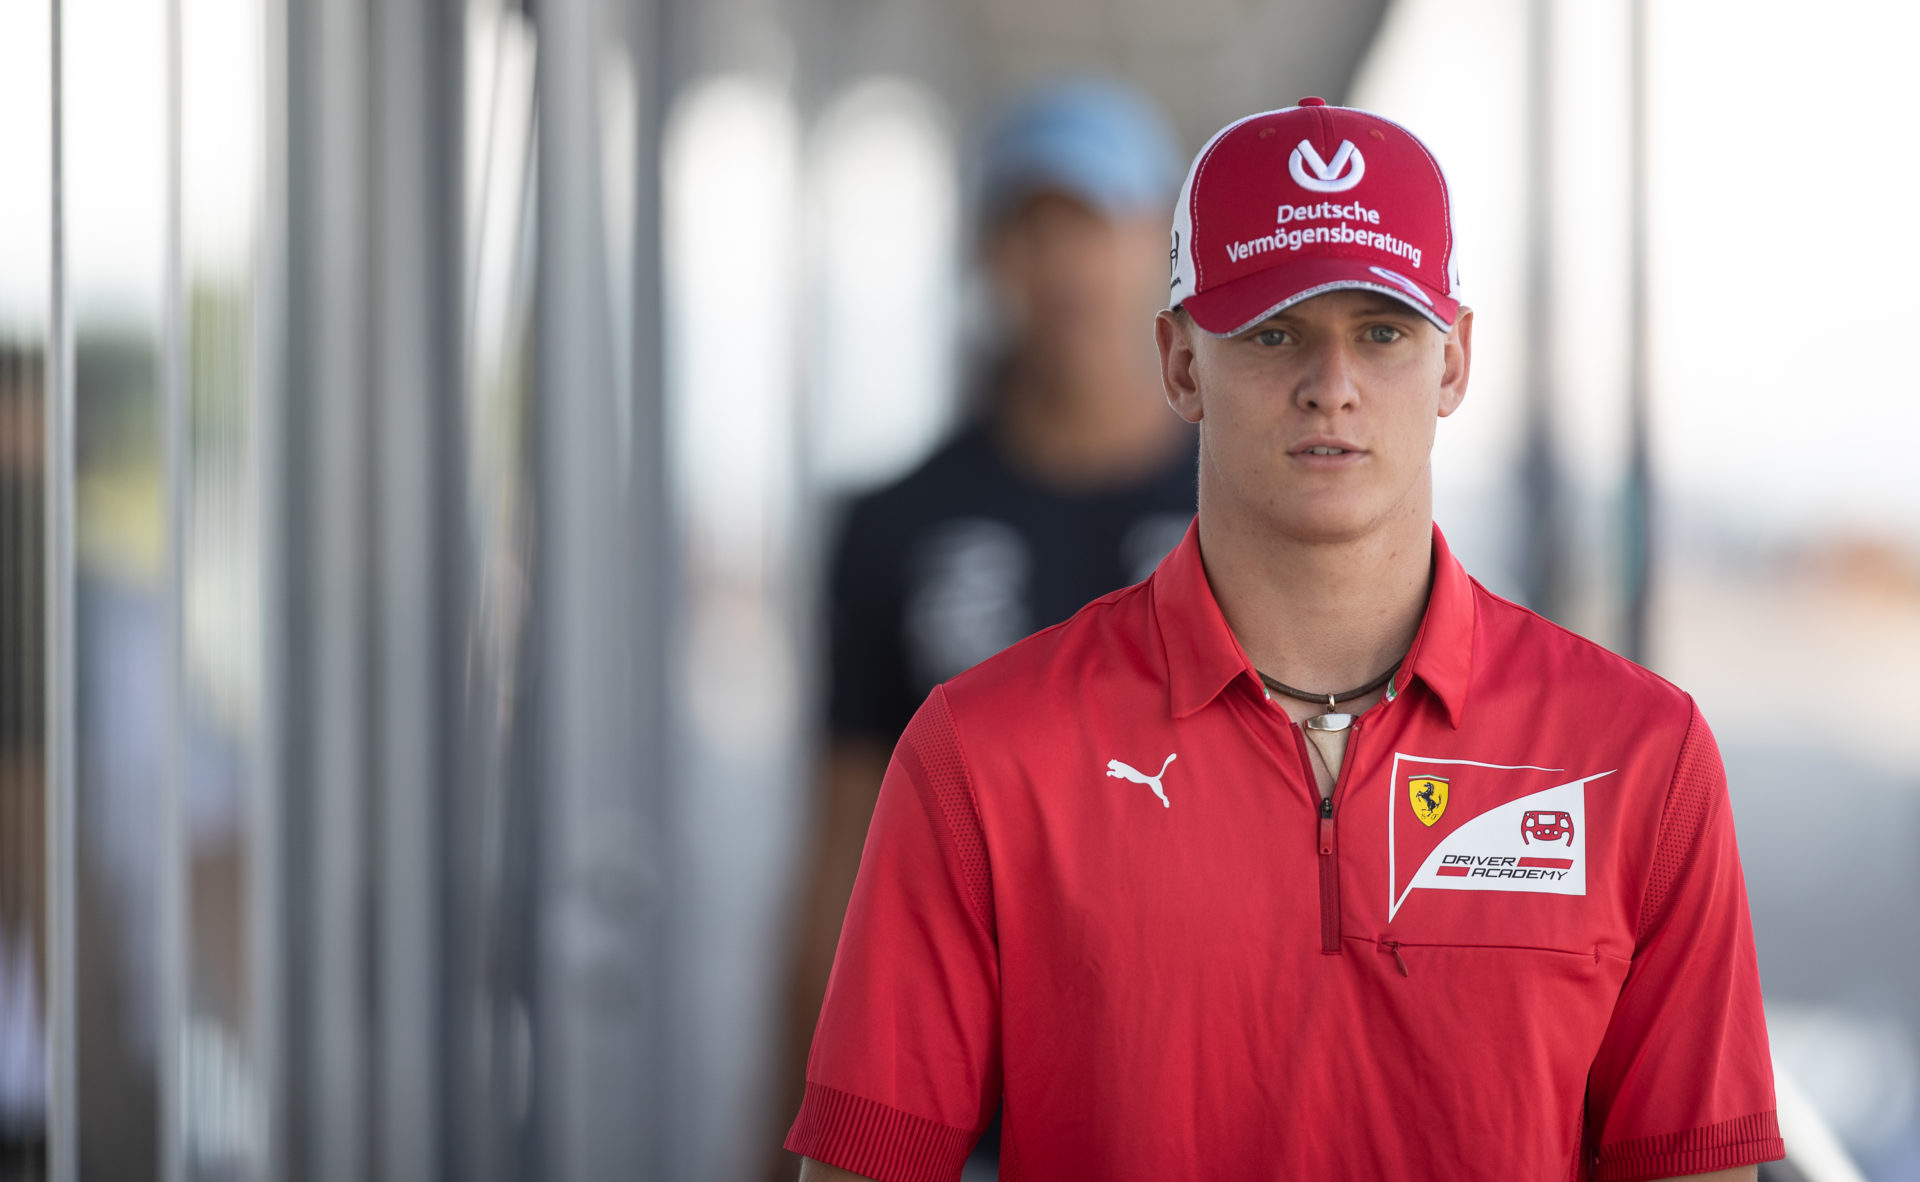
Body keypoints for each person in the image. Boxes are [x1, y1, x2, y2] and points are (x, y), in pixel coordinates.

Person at [787, 98, 1784, 1180]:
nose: (1332, 386)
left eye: (1384, 332)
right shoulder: (985, 754)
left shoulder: (1636, 754)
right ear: (1178, 366)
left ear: (1453, 365)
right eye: (1274, 332)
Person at [770, 79, 1197, 1179]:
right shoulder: (895, 522)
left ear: (1166, 249)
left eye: (1098, 224)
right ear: (987, 257)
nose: (1067, 265)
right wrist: (781, 1116)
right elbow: (843, 829)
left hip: (1199, 1083)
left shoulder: (1251, 511)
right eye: (1033, 227)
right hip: (964, 1096)